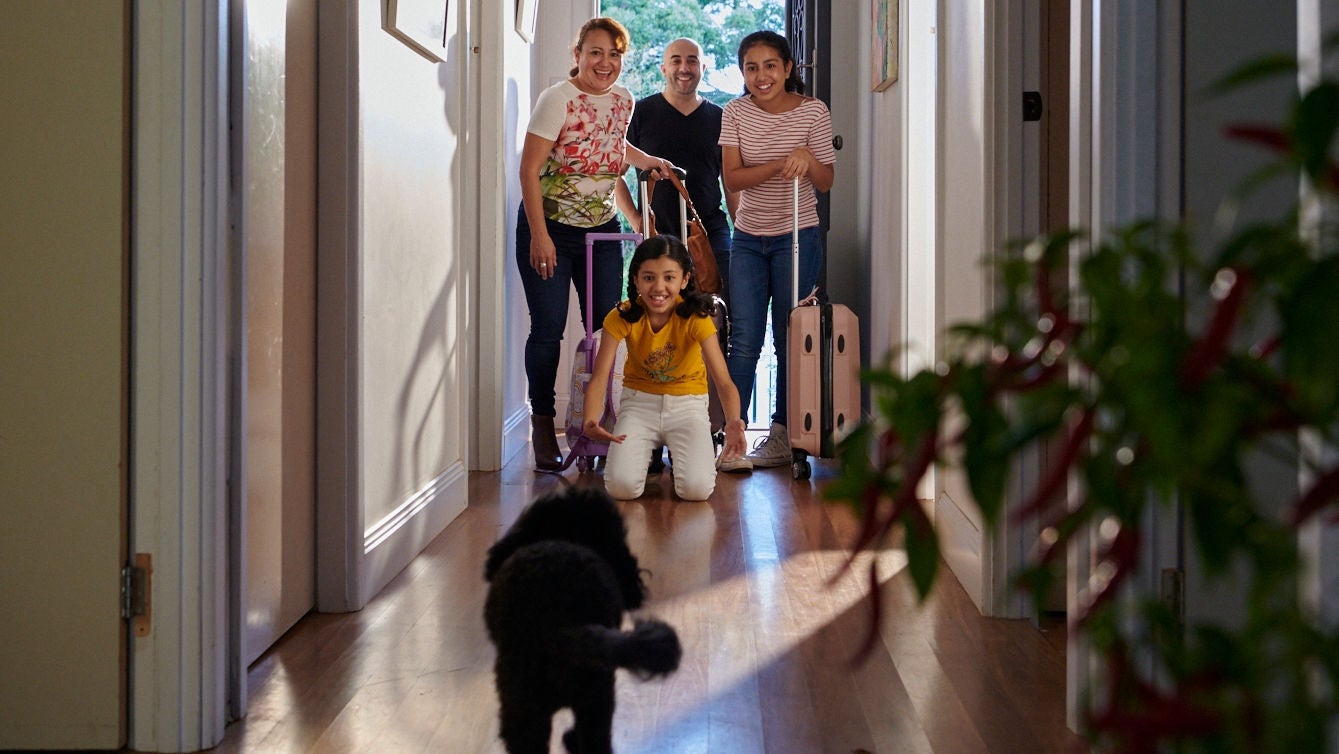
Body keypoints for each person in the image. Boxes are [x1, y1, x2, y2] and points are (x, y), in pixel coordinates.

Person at [517, 17, 673, 471]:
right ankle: (543, 425)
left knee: (608, 329)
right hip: (550, 226)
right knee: (548, 328)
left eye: (614, 55)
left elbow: (612, 148)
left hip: (600, 228)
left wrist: (646, 162)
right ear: (578, 54)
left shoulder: (623, 100)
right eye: (596, 53)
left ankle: (604, 420)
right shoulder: (557, 99)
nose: (605, 63)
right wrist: (540, 236)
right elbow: (529, 170)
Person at [719, 30, 836, 469]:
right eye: (751, 68)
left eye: (770, 65)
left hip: (797, 235)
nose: (761, 75)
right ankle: (732, 436)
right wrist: (782, 162)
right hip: (748, 238)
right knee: (745, 338)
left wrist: (809, 160)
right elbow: (733, 178)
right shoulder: (735, 112)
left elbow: (825, 181)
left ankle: (785, 434)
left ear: (788, 68)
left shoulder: (813, 112)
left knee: (791, 336)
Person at [626, 37, 741, 474]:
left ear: (702, 67)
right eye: (675, 59)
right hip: (657, 240)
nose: (684, 67)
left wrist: (741, 225)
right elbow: (617, 168)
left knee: (713, 328)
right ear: (663, 67)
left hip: (710, 235)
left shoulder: (719, 117)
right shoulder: (642, 112)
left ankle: (707, 428)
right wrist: (636, 219)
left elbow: (729, 181)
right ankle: (650, 437)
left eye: (692, 60)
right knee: (652, 332)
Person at [581, 236, 751, 501]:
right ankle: (648, 455)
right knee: (621, 488)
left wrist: (733, 423)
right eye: (649, 277)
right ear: (636, 279)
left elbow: (723, 381)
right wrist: (591, 419)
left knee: (696, 491)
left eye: (669, 278)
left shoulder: (696, 317)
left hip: (688, 405)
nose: (658, 287)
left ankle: (675, 455)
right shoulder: (621, 316)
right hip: (638, 405)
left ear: (684, 280)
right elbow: (600, 376)